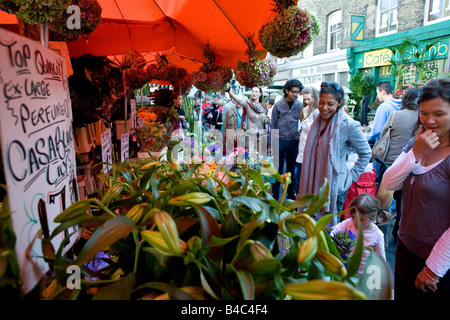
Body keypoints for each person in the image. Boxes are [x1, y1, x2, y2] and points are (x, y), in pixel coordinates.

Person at [382, 78, 450, 300]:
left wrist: (433, 269)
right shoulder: (416, 143)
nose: (430, 120)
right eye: (424, 113)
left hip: (438, 264)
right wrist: (416, 152)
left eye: (439, 114)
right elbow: (390, 183)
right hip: (405, 249)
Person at [299, 82, 371, 226]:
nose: (324, 107)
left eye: (330, 104)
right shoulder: (316, 120)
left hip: (334, 187)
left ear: (339, 104)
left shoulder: (349, 125)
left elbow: (366, 154)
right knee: (309, 225)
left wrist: (349, 177)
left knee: (329, 229)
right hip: (312, 183)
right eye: (322, 102)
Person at [377, 87, 420, 243]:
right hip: (410, 166)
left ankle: (382, 232)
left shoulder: (395, 115)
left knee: (384, 200)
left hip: (389, 165)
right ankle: (398, 231)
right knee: (403, 201)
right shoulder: (422, 118)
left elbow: (382, 136)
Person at [330, 193, 390, 275]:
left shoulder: (377, 235)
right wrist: (328, 236)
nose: (355, 221)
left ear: (372, 218)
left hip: (363, 276)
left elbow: (381, 259)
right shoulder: (349, 222)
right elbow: (335, 230)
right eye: (353, 217)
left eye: (361, 219)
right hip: (345, 270)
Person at [270, 79, 303, 201]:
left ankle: (290, 194)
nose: (295, 94)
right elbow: (272, 124)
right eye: (293, 92)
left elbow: (304, 122)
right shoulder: (278, 105)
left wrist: (299, 135)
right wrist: (271, 143)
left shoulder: (299, 105)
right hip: (279, 140)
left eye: (297, 92)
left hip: (293, 141)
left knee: (291, 170)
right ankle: (275, 195)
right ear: (287, 90)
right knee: (277, 169)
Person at [294, 86, 319, 197]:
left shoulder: (317, 112)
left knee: (309, 175)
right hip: (302, 145)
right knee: (299, 173)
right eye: (304, 99)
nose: (307, 101)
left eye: (309, 99)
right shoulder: (304, 110)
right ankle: (299, 196)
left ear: (314, 98)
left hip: (312, 146)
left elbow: (314, 129)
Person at [226, 86, 267, 154]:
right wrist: (230, 91)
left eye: (256, 92)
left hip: (261, 136)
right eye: (253, 91)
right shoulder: (248, 104)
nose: (254, 93)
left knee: (260, 158)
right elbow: (238, 100)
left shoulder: (263, 107)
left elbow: (264, 122)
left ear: (260, 94)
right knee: (250, 157)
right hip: (251, 136)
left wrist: (267, 121)